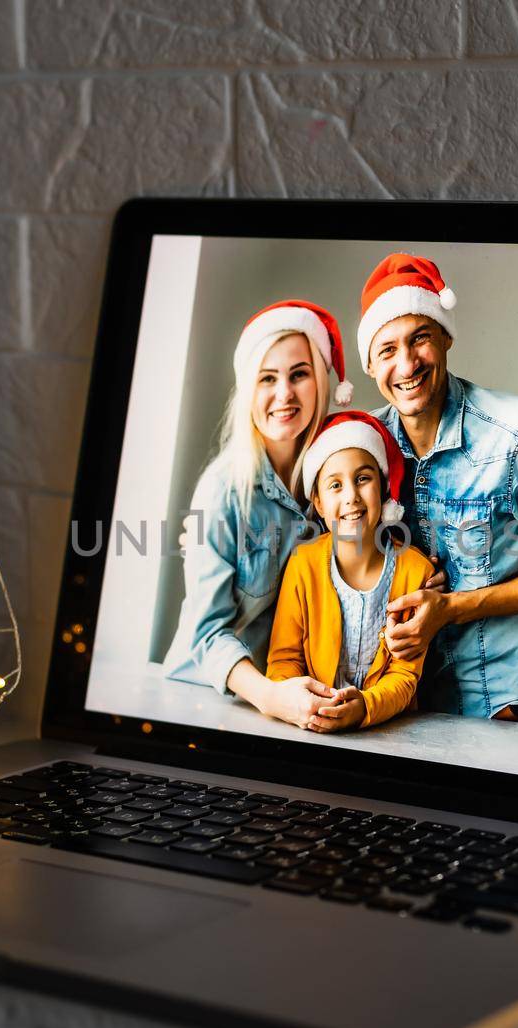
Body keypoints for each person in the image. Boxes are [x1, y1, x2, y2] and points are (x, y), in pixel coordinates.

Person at [356, 253, 518, 724]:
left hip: (513, 705)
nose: (407, 363)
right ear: (370, 365)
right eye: (387, 349)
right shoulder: (363, 448)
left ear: (446, 337)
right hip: (404, 706)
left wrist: (452, 609)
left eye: (420, 338)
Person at [161, 299, 362, 729]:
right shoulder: (223, 490)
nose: (284, 394)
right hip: (203, 703)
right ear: (249, 388)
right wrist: (272, 697)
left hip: (285, 704)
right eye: (267, 378)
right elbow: (207, 633)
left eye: (299, 374)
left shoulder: (334, 481)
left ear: (322, 381)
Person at [265, 412, 436, 732]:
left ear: (384, 486)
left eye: (363, 478)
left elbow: (405, 674)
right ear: (317, 500)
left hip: (389, 733)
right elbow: (283, 660)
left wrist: (365, 708)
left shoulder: (416, 572)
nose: (351, 497)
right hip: (309, 726)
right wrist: (307, 705)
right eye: (335, 485)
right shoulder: (303, 564)